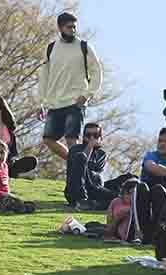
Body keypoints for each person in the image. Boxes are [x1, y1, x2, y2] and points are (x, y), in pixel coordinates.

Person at [37, 12, 102, 163]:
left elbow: (97, 72)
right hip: (55, 103)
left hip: (75, 102)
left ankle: (76, 174)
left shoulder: (84, 47)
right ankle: (77, 164)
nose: (72, 30)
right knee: (48, 139)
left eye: (74, 27)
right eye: (69, 27)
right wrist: (41, 102)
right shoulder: (51, 48)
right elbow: (44, 77)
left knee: (72, 139)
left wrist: (87, 95)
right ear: (60, 28)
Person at [65, 122, 117, 210]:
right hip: (75, 191)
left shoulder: (101, 154)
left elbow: (96, 176)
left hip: (94, 188)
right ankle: (82, 200)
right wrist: (90, 146)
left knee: (127, 179)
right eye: (88, 135)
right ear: (84, 137)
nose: (92, 138)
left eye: (96, 135)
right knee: (81, 157)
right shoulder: (75, 149)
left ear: (101, 137)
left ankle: (95, 205)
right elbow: (79, 167)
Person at [0, 140, 36, 213]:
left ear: (7, 154)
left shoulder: (5, 167)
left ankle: (22, 207)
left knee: (23, 202)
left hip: (6, 197)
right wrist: (2, 193)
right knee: (10, 202)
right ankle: (19, 208)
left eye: (2, 152)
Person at [104, 179, 140, 243]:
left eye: (133, 194)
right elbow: (109, 227)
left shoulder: (140, 205)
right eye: (128, 193)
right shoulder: (116, 202)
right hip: (117, 233)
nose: (130, 197)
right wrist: (118, 219)